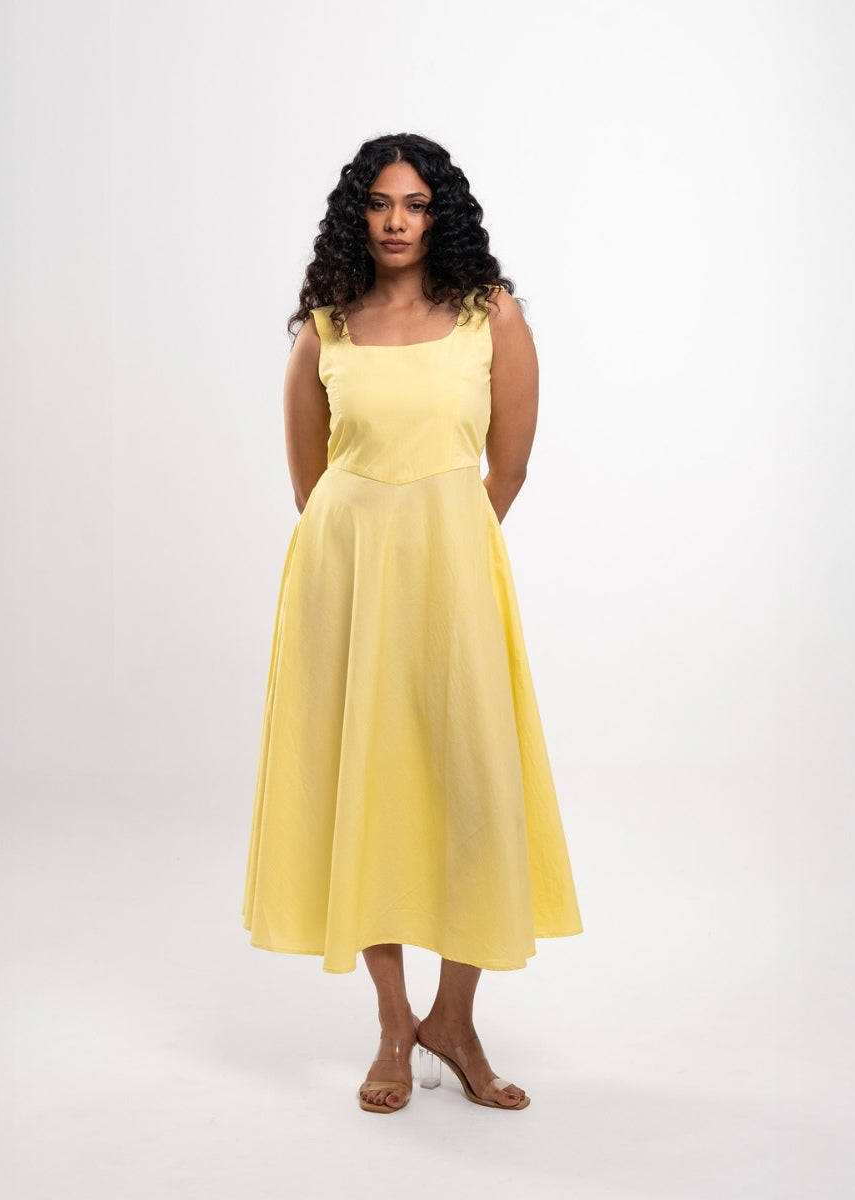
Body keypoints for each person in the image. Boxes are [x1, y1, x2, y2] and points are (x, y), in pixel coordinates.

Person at [242, 132, 582, 1114]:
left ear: (442, 215)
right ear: (358, 212)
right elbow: (312, 482)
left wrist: (447, 546)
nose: (396, 221)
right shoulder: (326, 327)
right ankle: (395, 1026)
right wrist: (372, 546)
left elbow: (508, 467)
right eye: (381, 202)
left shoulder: (490, 314)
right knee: (369, 785)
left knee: (475, 784)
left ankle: (455, 1020)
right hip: (346, 580)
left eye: (417, 204)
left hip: (454, 577)